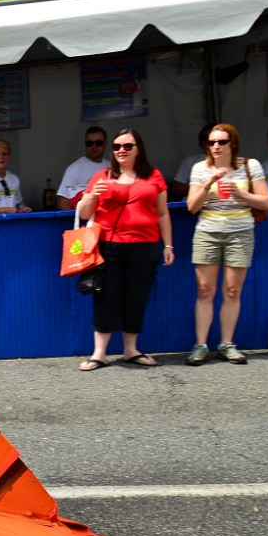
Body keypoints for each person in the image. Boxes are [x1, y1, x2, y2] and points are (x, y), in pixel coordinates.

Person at [75, 129, 174, 371]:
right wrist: (91, 197)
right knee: (105, 297)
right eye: (117, 146)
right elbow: (84, 213)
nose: (121, 150)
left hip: (145, 245)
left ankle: (131, 350)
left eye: (128, 146)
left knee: (136, 297)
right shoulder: (102, 176)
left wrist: (168, 244)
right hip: (109, 245)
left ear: (139, 149)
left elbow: (162, 213)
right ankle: (99, 353)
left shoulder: (154, 176)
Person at [184, 123, 268, 366]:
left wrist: (240, 193)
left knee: (233, 290)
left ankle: (226, 344)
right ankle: (201, 345)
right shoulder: (200, 168)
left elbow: (266, 203)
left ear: (232, 143)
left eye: (221, 142)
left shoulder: (249, 165)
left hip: (240, 232)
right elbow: (192, 207)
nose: (216, 147)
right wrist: (208, 184)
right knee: (204, 290)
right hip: (207, 232)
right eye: (212, 142)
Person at [57, 126, 109, 210]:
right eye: (89, 143)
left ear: (105, 144)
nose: (94, 146)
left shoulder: (111, 167)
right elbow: (64, 201)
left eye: (98, 143)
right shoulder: (74, 169)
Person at [169, 123, 214, 201]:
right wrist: (203, 187)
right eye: (205, 138)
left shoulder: (234, 163)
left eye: (212, 137)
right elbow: (176, 188)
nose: (208, 141)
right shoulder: (191, 162)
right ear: (200, 141)